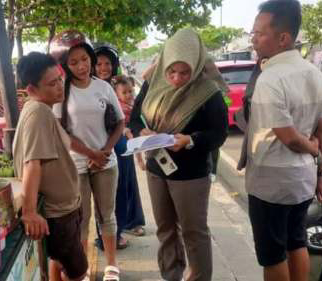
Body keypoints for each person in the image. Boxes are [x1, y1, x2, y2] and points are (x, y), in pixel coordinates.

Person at [129, 28, 228, 281]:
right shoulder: (153, 84)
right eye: (171, 71)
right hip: (156, 169)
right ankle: (171, 275)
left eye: (184, 72)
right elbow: (133, 117)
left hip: (191, 175)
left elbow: (219, 134)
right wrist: (142, 130)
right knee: (165, 230)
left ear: (196, 66)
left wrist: (191, 140)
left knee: (194, 232)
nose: (176, 78)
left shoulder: (208, 91)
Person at [246, 1, 322, 281]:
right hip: (302, 181)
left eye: (259, 33)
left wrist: (310, 148)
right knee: (296, 241)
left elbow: (289, 138)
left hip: (272, 184)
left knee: (273, 255)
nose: (253, 38)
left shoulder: (271, 77)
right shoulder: (314, 73)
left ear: (283, 38)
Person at [50, 30, 125, 280]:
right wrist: (89, 152)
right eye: (73, 62)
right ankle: (80, 270)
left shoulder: (104, 86)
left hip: (106, 162)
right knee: (81, 220)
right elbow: (61, 130)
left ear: (91, 58)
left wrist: (104, 151)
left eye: (84, 59)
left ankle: (111, 265)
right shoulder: (62, 91)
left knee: (107, 215)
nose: (81, 66)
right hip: (77, 165)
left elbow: (120, 123)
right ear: (65, 65)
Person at [12, 52, 88, 281]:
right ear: (31, 89)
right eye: (52, 83)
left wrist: (93, 153)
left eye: (60, 79)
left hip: (64, 209)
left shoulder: (39, 109)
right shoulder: (39, 113)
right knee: (78, 271)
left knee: (59, 262)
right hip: (58, 214)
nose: (60, 86)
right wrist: (30, 212)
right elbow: (32, 164)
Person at [93, 45, 146, 250]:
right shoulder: (89, 86)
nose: (104, 67)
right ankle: (106, 236)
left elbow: (127, 115)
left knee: (123, 188)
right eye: (99, 63)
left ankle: (122, 228)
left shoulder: (114, 85)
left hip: (121, 144)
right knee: (104, 193)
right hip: (100, 146)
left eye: (108, 63)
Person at [110, 75, 146, 238]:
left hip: (128, 148)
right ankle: (122, 224)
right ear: (117, 94)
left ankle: (130, 222)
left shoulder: (133, 105)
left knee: (128, 184)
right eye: (125, 92)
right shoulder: (119, 108)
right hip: (120, 147)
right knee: (121, 186)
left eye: (130, 91)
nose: (129, 94)